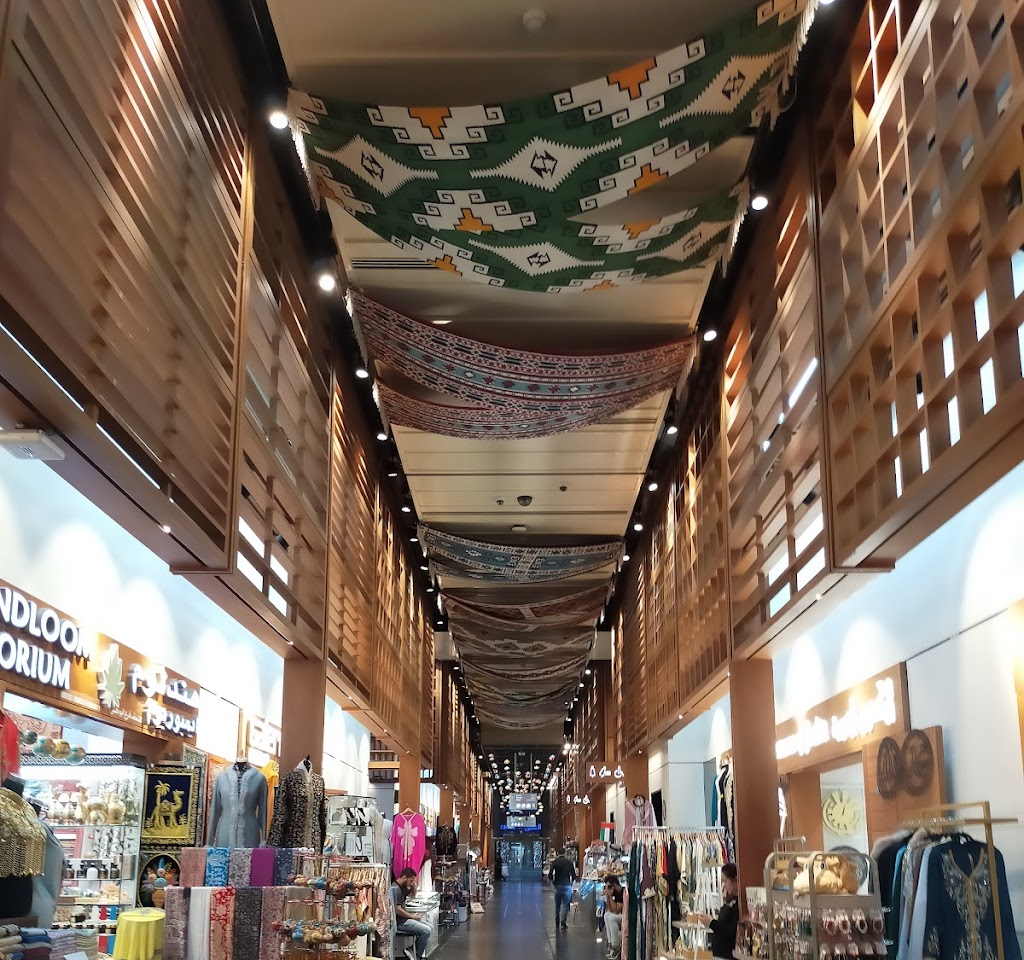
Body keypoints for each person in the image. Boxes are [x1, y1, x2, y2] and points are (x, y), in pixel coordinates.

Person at [700, 862, 740, 960]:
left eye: (725, 881)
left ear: (735, 880)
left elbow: (731, 931)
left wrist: (711, 923)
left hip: (729, 955)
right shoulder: (731, 901)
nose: (724, 885)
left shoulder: (739, 904)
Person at [393, 867, 431, 958]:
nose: (411, 883)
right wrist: (412, 916)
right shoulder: (396, 889)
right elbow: (398, 910)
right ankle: (416, 954)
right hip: (400, 922)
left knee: (430, 927)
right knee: (426, 930)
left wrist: (414, 885)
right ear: (404, 877)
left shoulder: (401, 887)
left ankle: (413, 951)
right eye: (411, 880)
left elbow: (413, 895)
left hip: (404, 920)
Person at [550, 848, 577, 931]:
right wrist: (571, 883)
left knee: (557, 905)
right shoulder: (569, 862)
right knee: (565, 905)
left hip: (557, 885)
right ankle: (563, 922)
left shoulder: (554, 862)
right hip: (567, 885)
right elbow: (573, 875)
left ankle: (557, 921)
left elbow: (550, 875)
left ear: (557, 853)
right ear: (564, 853)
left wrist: (553, 882)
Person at [603, 875, 624, 959]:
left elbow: (616, 910)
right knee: (606, 915)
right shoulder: (614, 893)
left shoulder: (622, 892)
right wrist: (608, 897)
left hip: (625, 915)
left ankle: (615, 946)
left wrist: (610, 897)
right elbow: (610, 909)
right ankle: (610, 943)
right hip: (620, 914)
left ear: (614, 885)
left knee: (611, 918)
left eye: (609, 887)